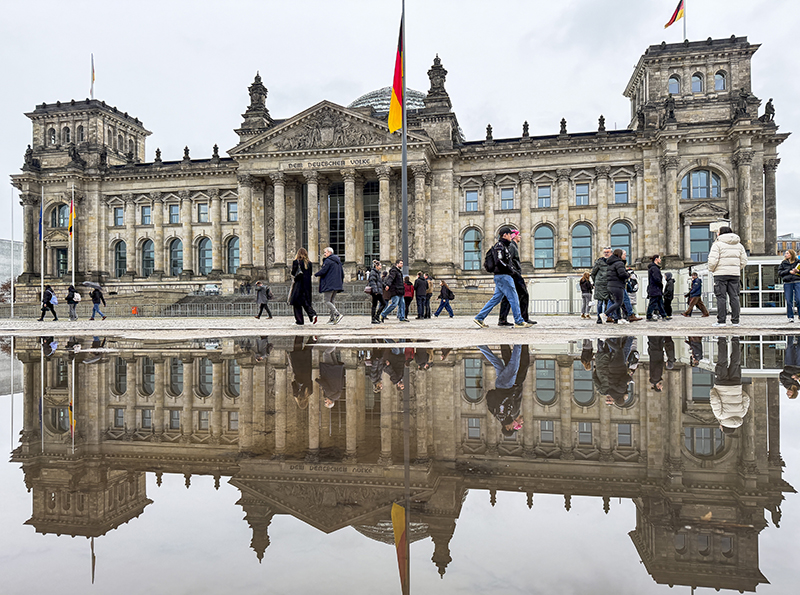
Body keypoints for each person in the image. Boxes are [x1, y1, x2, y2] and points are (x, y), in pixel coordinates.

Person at [474, 227, 534, 328]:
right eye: (510, 235)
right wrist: (510, 269)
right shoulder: (500, 246)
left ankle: (479, 317)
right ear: (505, 235)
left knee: (496, 299)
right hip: (504, 276)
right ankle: (519, 321)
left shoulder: (503, 246)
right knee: (514, 298)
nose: (511, 236)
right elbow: (499, 261)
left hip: (501, 276)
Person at [479, 344, 530, 435]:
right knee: (496, 362)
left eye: (511, 428)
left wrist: (512, 390)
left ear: (507, 428)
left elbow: (509, 399)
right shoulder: (498, 416)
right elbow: (490, 401)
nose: (512, 426)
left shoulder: (506, 415)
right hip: (499, 386)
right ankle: (481, 346)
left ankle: (519, 342)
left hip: (507, 386)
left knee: (514, 364)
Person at [707, 226, 748, 327]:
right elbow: (744, 261)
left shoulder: (717, 245)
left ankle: (721, 321)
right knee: (734, 297)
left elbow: (713, 260)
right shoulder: (739, 245)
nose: (717, 233)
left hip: (720, 275)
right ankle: (735, 321)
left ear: (721, 233)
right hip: (734, 275)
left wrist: (711, 269)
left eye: (718, 232)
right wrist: (736, 269)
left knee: (721, 298)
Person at [710, 337, 747, 435]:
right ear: (723, 427)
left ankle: (735, 340)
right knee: (722, 362)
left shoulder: (742, 414)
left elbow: (746, 398)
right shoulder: (720, 415)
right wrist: (713, 390)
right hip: (721, 385)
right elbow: (715, 399)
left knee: (736, 363)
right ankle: (722, 340)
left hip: (735, 385)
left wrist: (738, 392)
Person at [498, 230, 533, 325]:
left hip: (511, 274)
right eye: (518, 235)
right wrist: (514, 272)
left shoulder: (512, 246)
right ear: (513, 237)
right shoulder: (512, 246)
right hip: (514, 274)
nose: (520, 237)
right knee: (524, 294)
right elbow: (509, 260)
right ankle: (524, 318)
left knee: (507, 296)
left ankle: (502, 319)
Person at [314, 246, 345, 324]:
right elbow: (342, 274)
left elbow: (324, 270)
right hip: (337, 284)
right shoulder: (338, 262)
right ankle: (332, 318)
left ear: (330, 253)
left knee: (327, 301)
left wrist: (316, 274)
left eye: (325, 252)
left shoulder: (328, 261)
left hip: (329, 284)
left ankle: (337, 313)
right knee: (332, 300)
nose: (324, 254)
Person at [289, 248, 318, 325]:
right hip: (307, 285)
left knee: (296, 303)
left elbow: (293, 273)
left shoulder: (296, 262)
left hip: (298, 284)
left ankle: (299, 321)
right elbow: (310, 274)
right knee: (305, 301)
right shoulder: (309, 263)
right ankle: (312, 314)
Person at [603, 249, 629, 324]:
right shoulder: (619, 263)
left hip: (610, 285)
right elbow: (622, 274)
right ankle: (605, 314)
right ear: (620, 255)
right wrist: (628, 275)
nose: (625, 256)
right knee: (618, 303)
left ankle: (619, 319)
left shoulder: (611, 263)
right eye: (624, 255)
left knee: (616, 302)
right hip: (617, 285)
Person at [289, 336, 314, 409]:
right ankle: (299, 336)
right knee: (297, 349)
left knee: (307, 351)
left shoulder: (310, 392)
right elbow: (293, 383)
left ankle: (312, 340)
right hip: (298, 370)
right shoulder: (296, 394)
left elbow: (311, 381)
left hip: (307, 370)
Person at [591, 247, 612, 325]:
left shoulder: (613, 262)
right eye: (605, 252)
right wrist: (596, 282)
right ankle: (599, 318)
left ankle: (607, 317)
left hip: (609, 284)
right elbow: (593, 273)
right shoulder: (599, 262)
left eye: (608, 252)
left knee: (608, 301)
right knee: (600, 302)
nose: (606, 253)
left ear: (611, 253)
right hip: (600, 284)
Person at [778, 249, 800, 323]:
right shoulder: (783, 263)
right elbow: (779, 273)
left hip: (797, 281)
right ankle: (790, 316)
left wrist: (798, 271)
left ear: (791, 254)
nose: (785, 254)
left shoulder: (798, 262)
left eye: (787, 253)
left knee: (798, 299)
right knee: (789, 300)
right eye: (785, 253)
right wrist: (788, 271)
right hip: (787, 282)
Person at [646, 255, 669, 321]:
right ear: (656, 259)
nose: (660, 260)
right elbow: (657, 278)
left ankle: (664, 315)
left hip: (655, 288)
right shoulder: (654, 268)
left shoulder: (654, 268)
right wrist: (660, 284)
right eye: (659, 258)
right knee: (653, 303)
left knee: (660, 303)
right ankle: (649, 316)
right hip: (655, 288)